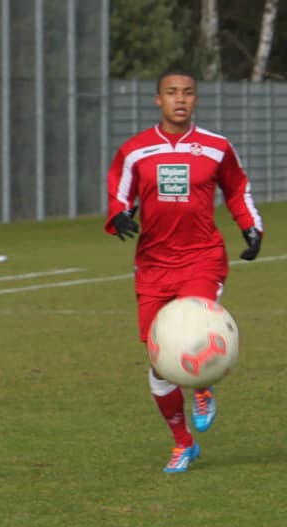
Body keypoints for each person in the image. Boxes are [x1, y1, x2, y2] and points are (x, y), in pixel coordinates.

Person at [105, 66, 263, 473]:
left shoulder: (216, 147)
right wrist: (120, 215)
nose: (180, 99)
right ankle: (183, 442)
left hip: (201, 258)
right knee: (161, 363)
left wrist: (250, 226)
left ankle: (203, 385)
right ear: (158, 99)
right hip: (154, 265)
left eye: (188, 92)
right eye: (172, 92)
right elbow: (119, 192)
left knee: (194, 330)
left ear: (196, 99)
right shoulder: (136, 150)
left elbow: (238, 188)